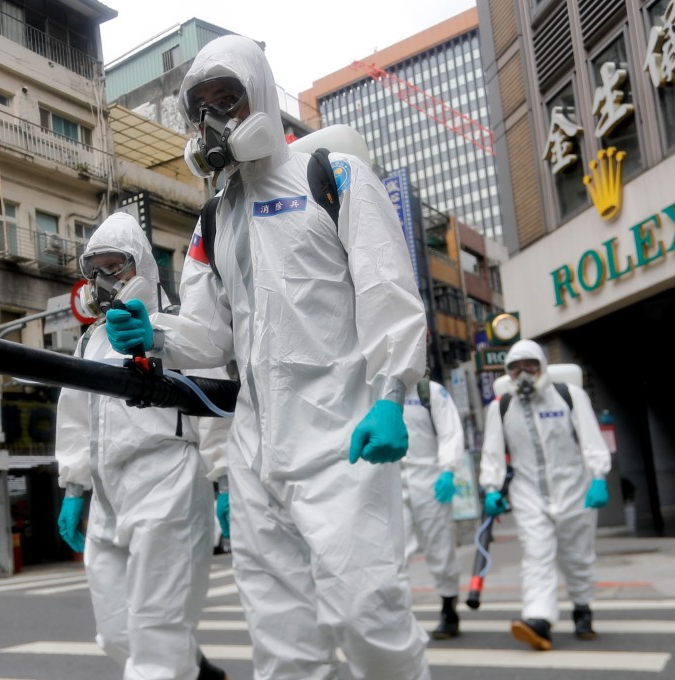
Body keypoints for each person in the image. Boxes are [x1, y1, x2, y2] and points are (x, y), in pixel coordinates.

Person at [106, 35, 431, 680]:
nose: (216, 118)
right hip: (258, 453)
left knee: (369, 616)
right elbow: (211, 337)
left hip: (346, 438)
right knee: (282, 644)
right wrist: (158, 334)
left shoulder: (333, 177)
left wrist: (393, 395)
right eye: (201, 108)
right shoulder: (213, 221)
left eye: (227, 99)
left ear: (257, 93)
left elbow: (387, 291)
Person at [54, 212, 227, 680]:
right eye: (96, 269)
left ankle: (176, 663)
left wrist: (224, 478)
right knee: (115, 635)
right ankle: (194, 669)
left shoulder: (177, 327)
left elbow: (213, 398)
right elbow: (75, 415)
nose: (104, 279)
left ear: (142, 267)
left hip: (165, 485)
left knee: (156, 641)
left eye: (115, 266)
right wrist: (73, 488)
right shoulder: (91, 339)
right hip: (109, 499)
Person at [479, 339, 611, 651]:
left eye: (530, 366)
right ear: (508, 373)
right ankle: (538, 619)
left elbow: (591, 440)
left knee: (577, 555)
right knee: (536, 556)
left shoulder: (569, 396)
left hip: (574, 490)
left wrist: (598, 477)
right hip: (529, 495)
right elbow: (492, 454)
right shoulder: (501, 407)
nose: (523, 373)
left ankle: (583, 609)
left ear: (542, 366)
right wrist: (490, 488)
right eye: (515, 368)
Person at [401, 376, 466, 639]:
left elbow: (450, 433)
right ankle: (399, 615)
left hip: (430, 481)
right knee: (393, 553)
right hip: (390, 482)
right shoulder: (373, 390)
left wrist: (448, 470)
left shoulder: (429, 392)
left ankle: (449, 606)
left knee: (440, 548)